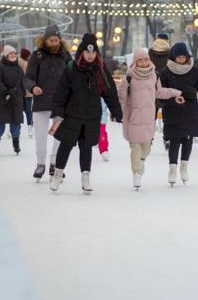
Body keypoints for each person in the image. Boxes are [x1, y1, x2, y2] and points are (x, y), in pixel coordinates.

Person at [48, 33, 122, 193]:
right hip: (71, 115)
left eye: (93, 52)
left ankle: (85, 177)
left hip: (91, 115)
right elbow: (61, 93)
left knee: (86, 147)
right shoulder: (71, 68)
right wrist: (58, 111)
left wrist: (116, 111)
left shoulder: (100, 70)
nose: (90, 55)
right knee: (65, 145)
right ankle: (57, 175)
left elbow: (110, 93)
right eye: (87, 52)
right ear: (82, 52)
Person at [118, 48, 183, 189]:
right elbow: (122, 97)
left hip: (148, 118)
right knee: (135, 147)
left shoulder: (154, 76)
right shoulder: (129, 77)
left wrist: (176, 93)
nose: (143, 62)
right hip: (133, 117)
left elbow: (160, 92)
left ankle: (141, 161)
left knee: (146, 148)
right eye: (140, 60)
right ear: (135, 62)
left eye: (146, 59)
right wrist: (123, 87)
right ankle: (136, 173)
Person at [159, 43, 198, 186]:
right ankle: (172, 169)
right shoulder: (166, 72)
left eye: (183, 57)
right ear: (173, 57)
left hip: (190, 108)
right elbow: (160, 94)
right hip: (172, 110)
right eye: (178, 57)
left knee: (188, 138)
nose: (181, 59)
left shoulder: (193, 70)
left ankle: (184, 167)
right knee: (174, 140)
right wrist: (172, 100)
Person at [24, 25, 73, 182]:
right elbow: (27, 78)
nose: (53, 43)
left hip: (60, 103)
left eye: (56, 40)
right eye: (51, 40)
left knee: (59, 135)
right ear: (45, 40)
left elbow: (72, 77)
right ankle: (40, 164)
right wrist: (33, 87)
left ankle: (54, 164)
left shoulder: (66, 56)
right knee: (40, 136)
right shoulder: (37, 56)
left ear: (60, 40)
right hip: (41, 102)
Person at [0, 45, 26, 155]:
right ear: (6, 55)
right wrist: (5, 91)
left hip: (16, 100)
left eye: (14, 53)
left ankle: (16, 146)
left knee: (16, 124)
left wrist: (24, 99)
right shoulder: (0, 68)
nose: (13, 55)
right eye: (10, 53)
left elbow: (22, 84)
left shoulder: (19, 69)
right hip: (3, 100)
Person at [19, 48, 34, 138]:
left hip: (26, 90)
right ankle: (29, 126)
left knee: (24, 110)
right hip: (24, 90)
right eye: (28, 55)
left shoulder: (25, 62)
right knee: (26, 110)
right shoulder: (21, 63)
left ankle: (29, 127)